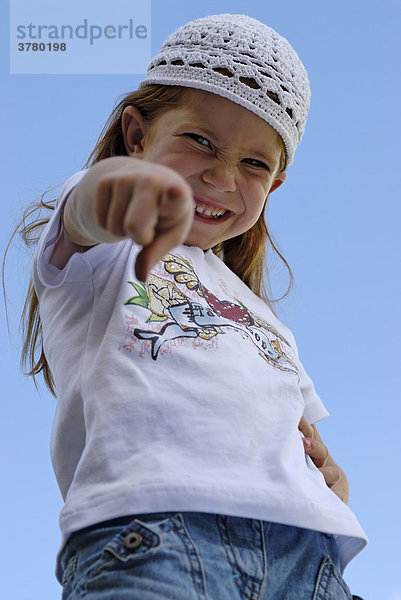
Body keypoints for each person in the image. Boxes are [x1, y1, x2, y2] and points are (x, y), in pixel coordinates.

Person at [20, 14, 367, 600]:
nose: (222, 176)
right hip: (160, 537)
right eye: (200, 141)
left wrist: (330, 482)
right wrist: (121, 193)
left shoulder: (262, 317)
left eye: (254, 163)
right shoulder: (107, 244)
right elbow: (84, 212)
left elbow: (291, 430)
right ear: (136, 136)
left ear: (275, 184)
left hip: (307, 565)